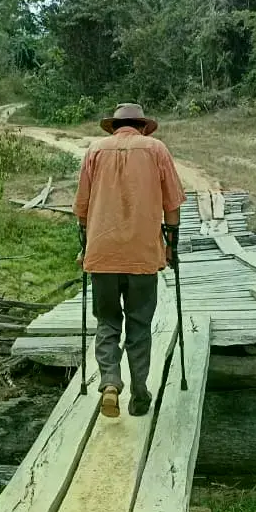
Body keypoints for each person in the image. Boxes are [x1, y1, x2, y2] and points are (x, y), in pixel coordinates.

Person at [73, 103, 184, 418]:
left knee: (107, 322)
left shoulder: (95, 151)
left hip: (102, 255)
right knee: (139, 324)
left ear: (113, 127)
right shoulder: (156, 150)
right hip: (142, 257)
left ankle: (109, 381)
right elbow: (172, 206)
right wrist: (171, 247)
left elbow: (81, 209)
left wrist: (85, 247)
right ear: (143, 126)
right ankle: (139, 393)